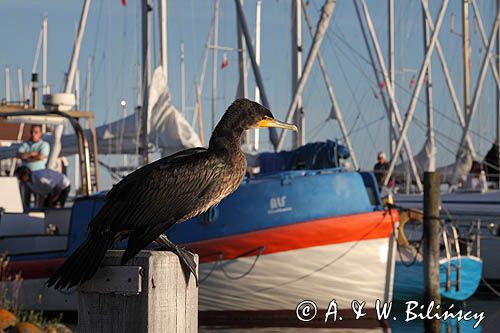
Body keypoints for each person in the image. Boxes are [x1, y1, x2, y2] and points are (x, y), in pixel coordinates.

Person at [16, 124, 50, 208]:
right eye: (32, 132)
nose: (33, 134)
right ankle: (25, 216)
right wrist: (32, 154)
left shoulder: (44, 144)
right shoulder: (26, 144)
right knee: (24, 200)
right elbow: (19, 155)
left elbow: (41, 157)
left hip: (38, 178)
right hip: (25, 178)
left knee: (39, 200)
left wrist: (27, 157)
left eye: (36, 132)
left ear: (40, 134)